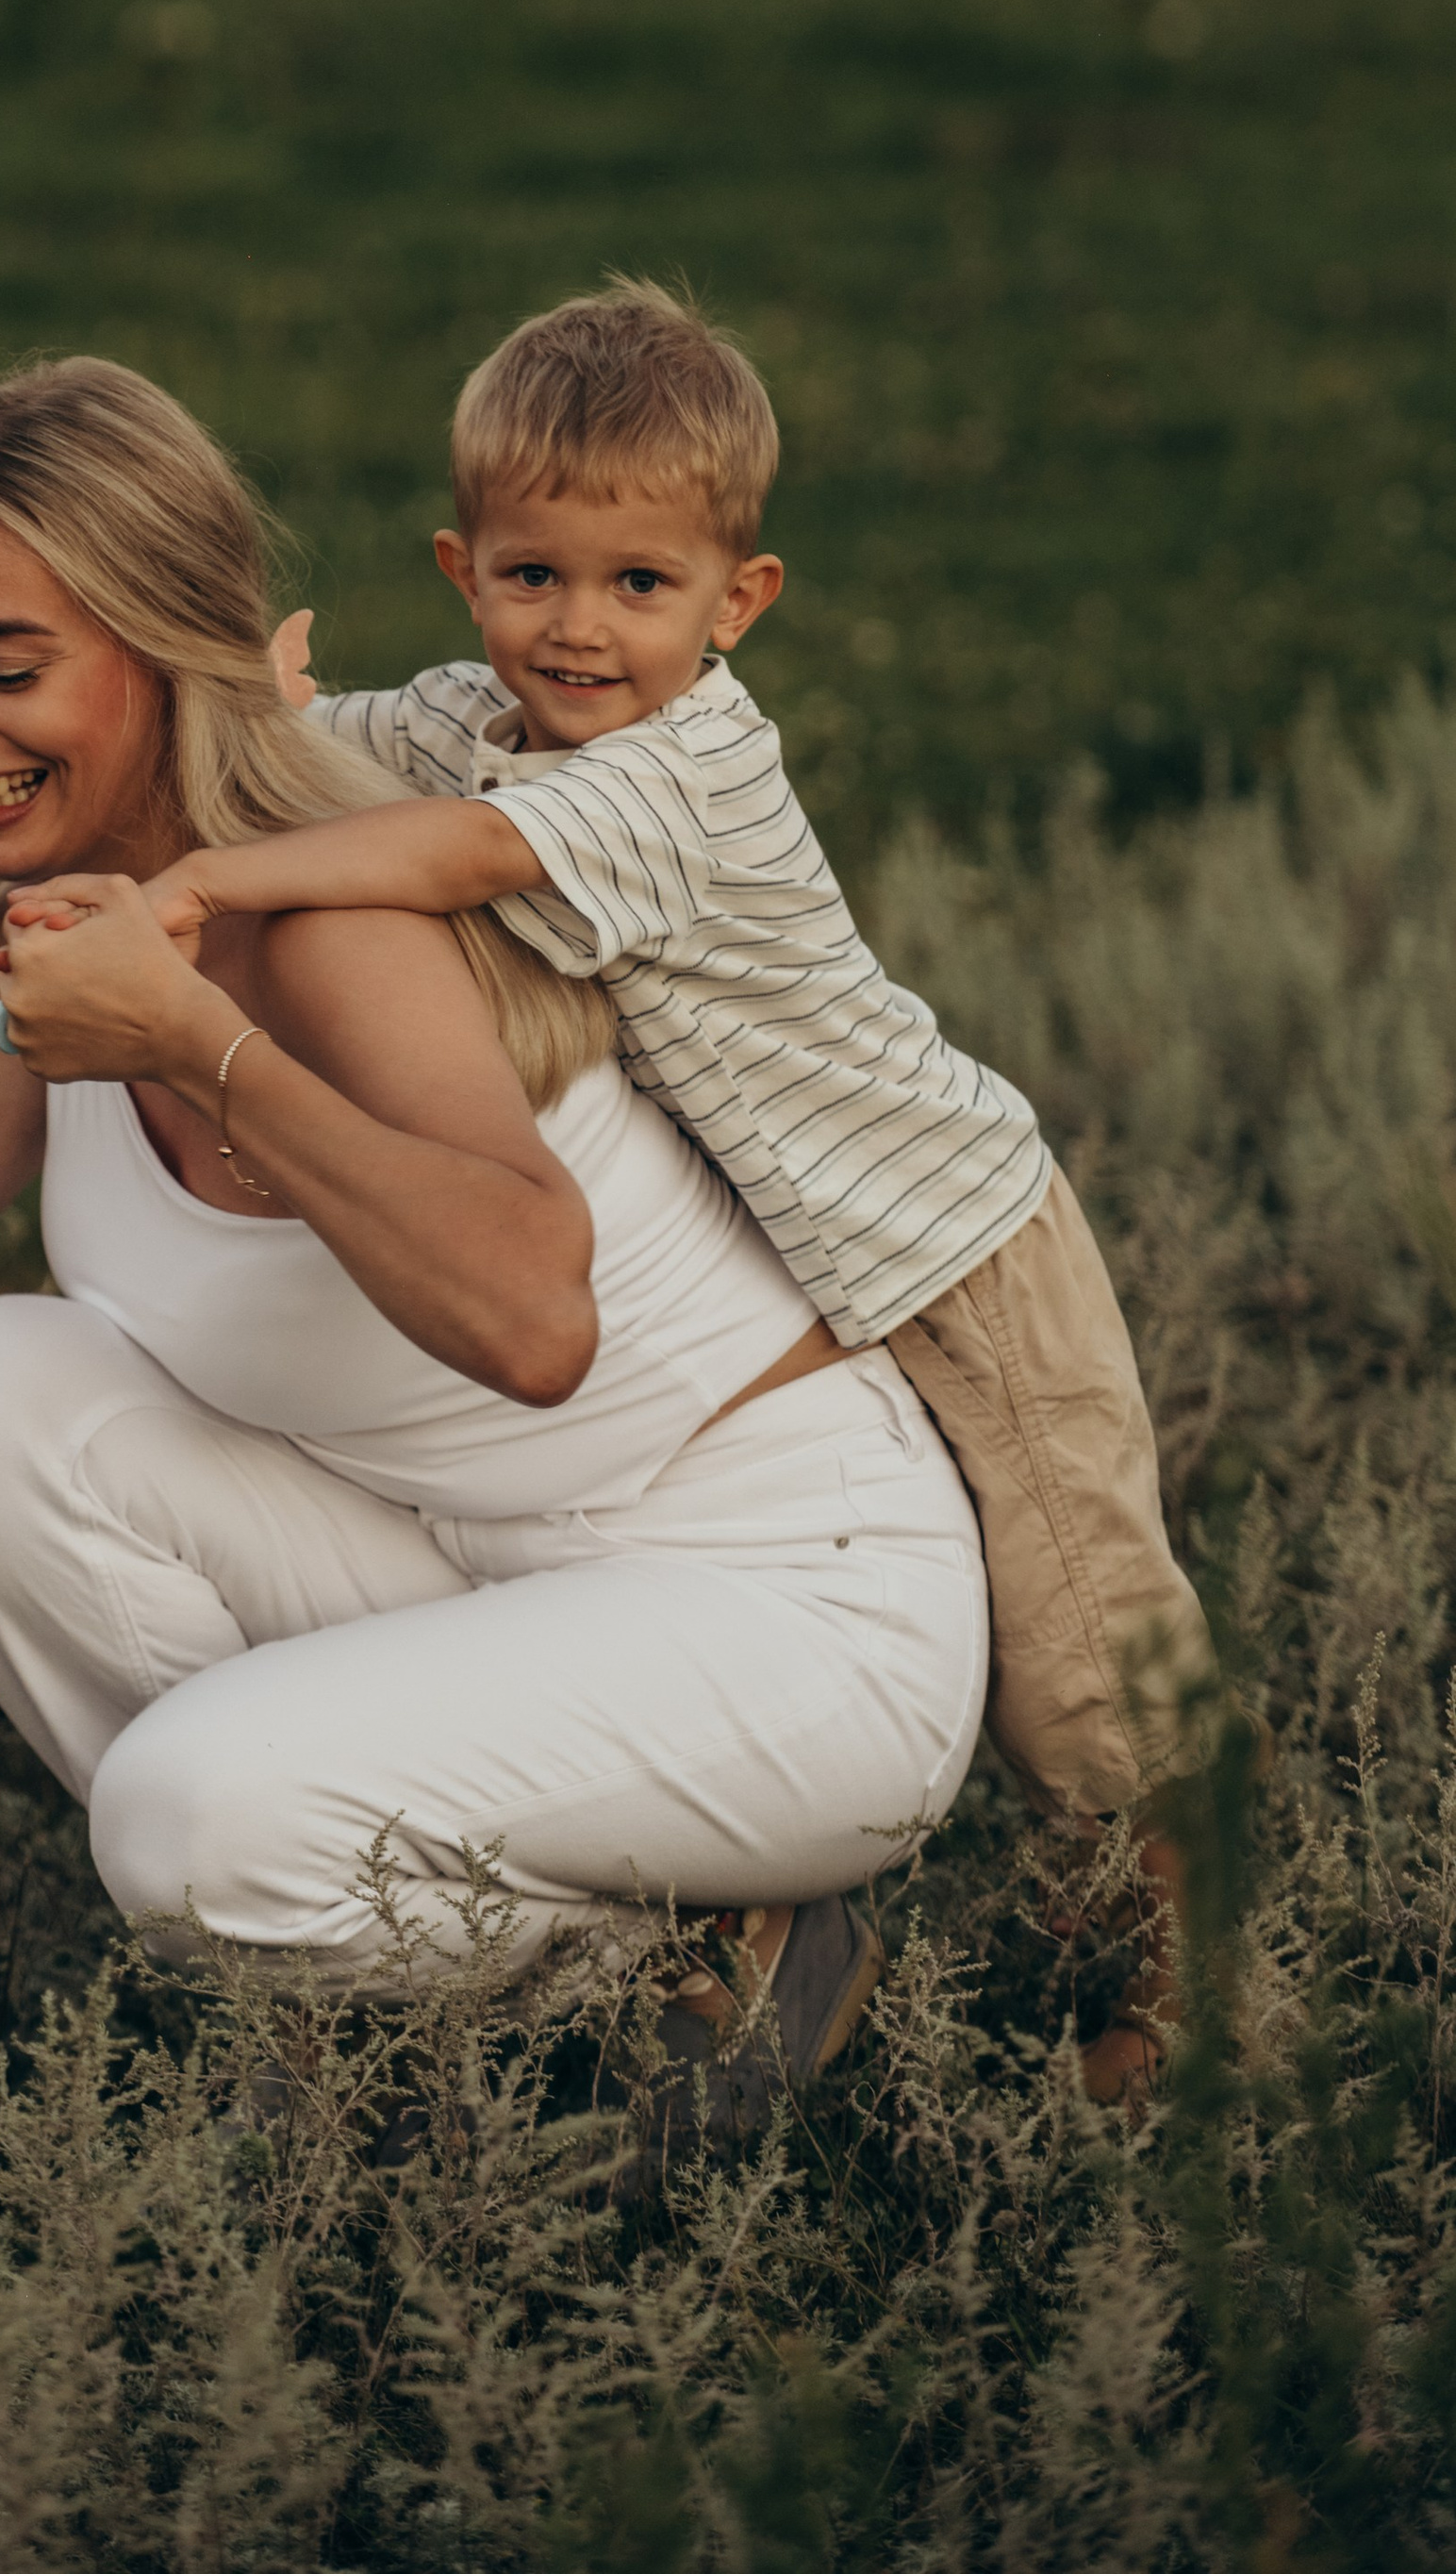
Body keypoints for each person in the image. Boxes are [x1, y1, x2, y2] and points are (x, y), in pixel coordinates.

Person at [0, 354, 991, 2138]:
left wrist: (193, 1040)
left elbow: (534, 1320)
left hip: (787, 1609)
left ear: (167, 654)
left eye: (6, 670)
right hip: (484, 1573)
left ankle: (676, 1954)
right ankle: (533, 1981)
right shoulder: (73, 916)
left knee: (184, 1821)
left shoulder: (314, 911)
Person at [99, 279, 1216, 2097]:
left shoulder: (686, 767)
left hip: (945, 1232)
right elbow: (351, 765)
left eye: (641, 587)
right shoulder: (471, 717)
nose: (582, 629)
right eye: (535, 576)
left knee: (1075, 1638)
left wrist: (219, 891)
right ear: (462, 569)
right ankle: (813, 1889)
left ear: (737, 601)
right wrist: (271, 724)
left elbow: (454, 851)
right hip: (812, 1244)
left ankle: (1191, 1945)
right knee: (1018, 1625)